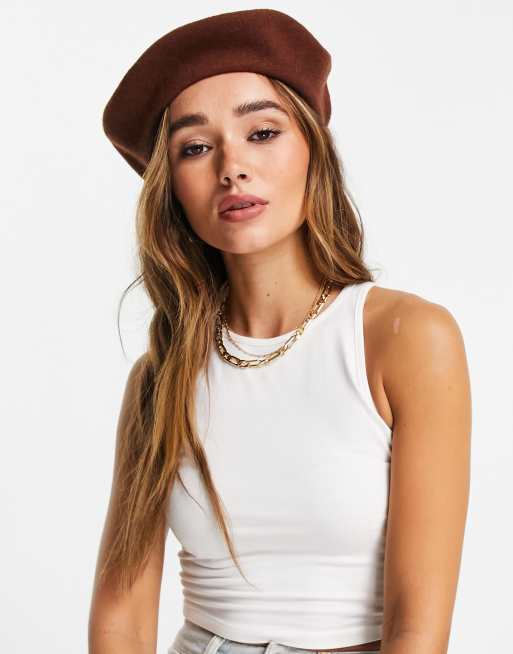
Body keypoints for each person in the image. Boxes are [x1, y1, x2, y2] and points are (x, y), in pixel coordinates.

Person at [88, 9, 471, 654]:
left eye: (262, 132)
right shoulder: (161, 376)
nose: (232, 167)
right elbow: (121, 615)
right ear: (170, 188)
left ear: (313, 150)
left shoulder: (405, 338)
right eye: (196, 147)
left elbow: (416, 628)